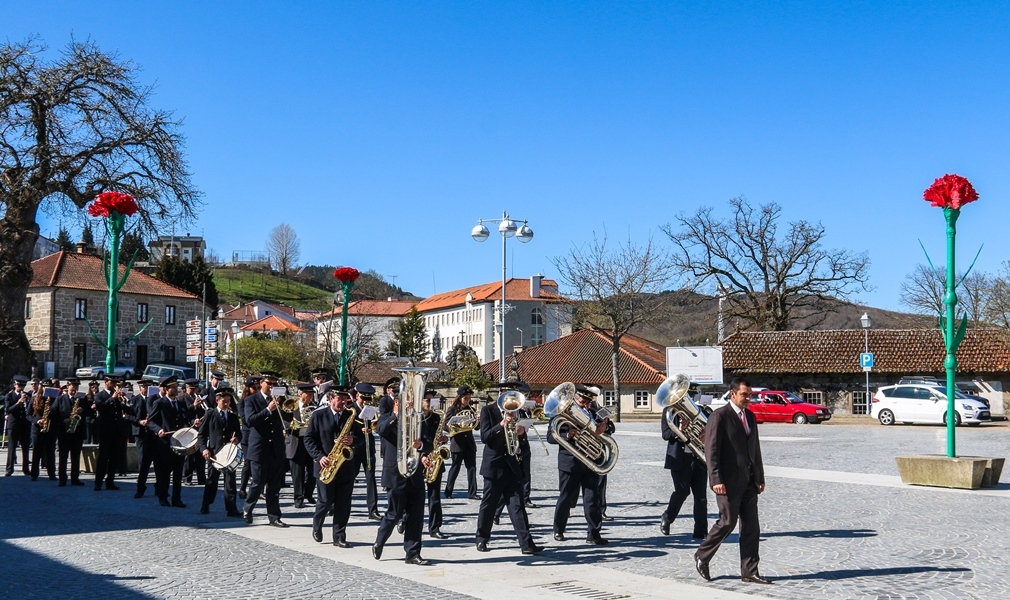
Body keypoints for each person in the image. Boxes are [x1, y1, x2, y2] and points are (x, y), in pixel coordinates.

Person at [694, 378, 770, 585]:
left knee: (751, 528)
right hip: (726, 482)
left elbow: (755, 448)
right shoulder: (719, 417)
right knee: (727, 522)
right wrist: (716, 479)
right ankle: (702, 555)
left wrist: (760, 477)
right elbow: (712, 451)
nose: (748, 398)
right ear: (733, 394)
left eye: (750, 395)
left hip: (749, 481)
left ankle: (750, 571)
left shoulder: (751, 417)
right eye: (745, 394)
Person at [475, 387, 543, 555]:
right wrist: (501, 424)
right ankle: (482, 539)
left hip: (512, 466)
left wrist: (521, 434)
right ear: (500, 396)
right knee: (488, 506)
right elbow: (485, 437)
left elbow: (523, 444)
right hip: (494, 467)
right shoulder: (488, 411)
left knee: (517, 506)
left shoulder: (518, 412)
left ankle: (526, 544)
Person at [372, 385, 433, 566]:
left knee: (416, 516)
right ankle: (379, 541)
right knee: (394, 513)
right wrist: (397, 415)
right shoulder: (387, 418)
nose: (410, 404)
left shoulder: (419, 420)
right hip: (395, 473)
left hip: (415, 474)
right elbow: (381, 430)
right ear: (397, 402)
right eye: (407, 401)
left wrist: (421, 446)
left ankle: (413, 553)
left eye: (412, 401)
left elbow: (429, 444)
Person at [549, 385, 614, 545]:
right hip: (570, 463)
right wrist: (566, 435)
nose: (585, 404)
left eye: (587, 402)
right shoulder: (561, 413)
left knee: (592, 498)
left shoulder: (593, 412)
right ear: (574, 399)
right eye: (582, 401)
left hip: (590, 462)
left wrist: (604, 426)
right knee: (566, 498)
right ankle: (558, 529)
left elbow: (611, 427)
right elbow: (551, 437)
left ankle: (594, 533)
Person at [304, 387, 358, 547]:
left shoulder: (351, 415)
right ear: (331, 398)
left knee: (344, 503)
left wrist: (353, 440)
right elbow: (308, 439)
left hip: (345, 466)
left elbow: (363, 437)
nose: (342, 402)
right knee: (325, 501)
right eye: (339, 399)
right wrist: (319, 457)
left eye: (344, 399)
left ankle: (339, 536)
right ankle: (317, 524)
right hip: (325, 465)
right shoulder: (318, 415)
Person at [241, 371, 288, 527]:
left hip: (276, 448)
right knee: (257, 483)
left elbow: (288, 418)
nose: (271, 386)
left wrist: (283, 405)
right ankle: (248, 508)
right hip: (259, 448)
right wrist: (268, 409)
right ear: (261, 383)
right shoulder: (251, 400)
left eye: (274, 384)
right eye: (269, 383)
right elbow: (250, 421)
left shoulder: (280, 400)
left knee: (274, 486)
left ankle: (274, 516)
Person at [660, 403, 708, 538]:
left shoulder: (699, 410)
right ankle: (667, 517)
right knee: (682, 492)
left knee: (701, 497)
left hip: (698, 457)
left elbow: (712, 427)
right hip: (680, 460)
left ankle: (701, 531)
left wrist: (706, 432)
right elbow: (665, 434)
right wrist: (679, 430)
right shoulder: (669, 411)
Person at [147, 376, 191, 507]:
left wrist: (192, 422)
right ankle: (163, 496)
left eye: (176, 386)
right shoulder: (160, 403)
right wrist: (159, 430)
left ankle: (176, 498)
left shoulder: (181, 402)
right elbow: (150, 422)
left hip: (179, 442)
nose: (175, 389)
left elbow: (185, 418)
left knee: (178, 472)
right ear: (166, 389)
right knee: (165, 472)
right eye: (173, 387)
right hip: (166, 443)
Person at [198, 388, 243, 516]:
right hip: (214, 454)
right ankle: (206, 504)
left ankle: (231, 508)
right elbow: (201, 435)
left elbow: (239, 434)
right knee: (212, 481)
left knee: (230, 482)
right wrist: (204, 449)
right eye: (224, 401)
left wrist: (236, 439)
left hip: (229, 454)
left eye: (228, 401)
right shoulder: (210, 414)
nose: (227, 404)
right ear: (217, 400)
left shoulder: (233, 417)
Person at [93, 375, 133, 491]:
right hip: (106, 430)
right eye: (112, 382)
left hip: (117, 430)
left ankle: (110, 481)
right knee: (103, 457)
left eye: (116, 382)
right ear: (106, 382)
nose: (115, 385)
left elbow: (127, 409)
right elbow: (101, 408)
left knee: (114, 458)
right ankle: (98, 482)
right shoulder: (99, 395)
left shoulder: (118, 396)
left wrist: (125, 401)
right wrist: (113, 398)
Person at [351, 382, 381, 520]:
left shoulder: (371, 409)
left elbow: (376, 424)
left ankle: (373, 509)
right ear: (357, 396)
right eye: (363, 398)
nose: (365, 402)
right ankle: (339, 505)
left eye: (368, 399)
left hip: (368, 447)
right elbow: (346, 428)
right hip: (355, 448)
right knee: (349, 479)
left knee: (371, 479)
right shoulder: (350, 409)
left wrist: (371, 429)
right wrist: (359, 431)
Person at [52, 377, 89, 486]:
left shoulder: (82, 398)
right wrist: (64, 420)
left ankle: (75, 478)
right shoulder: (60, 399)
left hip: (77, 432)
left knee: (76, 456)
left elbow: (89, 411)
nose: (74, 389)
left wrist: (83, 410)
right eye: (72, 386)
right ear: (67, 386)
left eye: (76, 387)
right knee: (63, 456)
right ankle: (62, 478)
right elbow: (54, 414)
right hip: (64, 432)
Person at [443, 386, 479, 500]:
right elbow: (445, 425)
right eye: (465, 398)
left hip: (469, 443)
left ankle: (472, 492)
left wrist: (478, 419)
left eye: (469, 398)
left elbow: (477, 428)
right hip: (457, 443)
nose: (467, 400)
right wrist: (454, 429)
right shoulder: (452, 409)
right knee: (455, 467)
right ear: (459, 398)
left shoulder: (471, 409)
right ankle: (448, 491)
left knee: (472, 468)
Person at [286, 383, 317, 509]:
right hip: (295, 441)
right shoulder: (291, 406)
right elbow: (284, 420)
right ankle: (298, 498)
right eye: (308, 394)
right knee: (297, 473)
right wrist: (290, 425)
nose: (310, 397)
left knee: (312, 471)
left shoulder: (314, 407)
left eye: (311, 394)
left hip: (309, 443)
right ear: (300, 394)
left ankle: (308, 494)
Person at [132, 379, 159, 498]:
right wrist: (138, 421)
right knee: (143, 462)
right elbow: (127, 415)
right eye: (144, 387)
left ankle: (159, 488)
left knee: (158, 463)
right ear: (140, 388)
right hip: (141, 433)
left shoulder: (154, 399)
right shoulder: (135, 400)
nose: (146, 389)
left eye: (148, 387)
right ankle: (140, 488)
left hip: (153, 434)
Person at [237, 376, 261, 499]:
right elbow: (246, 419)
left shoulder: (259, 400)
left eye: (258, 388)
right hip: (247, 435)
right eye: (253, 388)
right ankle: (242, 488)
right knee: (248, 462)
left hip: (258, 435)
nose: (256, 390)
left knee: (258, 463)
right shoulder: (243, 402)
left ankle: (258, 488)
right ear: (248, 388)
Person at [180, 378, 207, 485]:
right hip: (188, 428)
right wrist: (194, 406)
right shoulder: (182, 398)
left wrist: (203, 406)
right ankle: (187, 478)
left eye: (195, 388)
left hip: (199, 429)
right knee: (189, 456)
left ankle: (202, 478)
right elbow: (183, 413)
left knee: (200, 455)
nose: (194, 391)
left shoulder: (198, 397)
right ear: (186, 388)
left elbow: (203, 412)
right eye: (191, 389)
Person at [29, 380, 58, 481]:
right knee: (36, 451)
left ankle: (52, 473)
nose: (46, 389)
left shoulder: (55, 399)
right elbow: (28, 415)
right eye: (45, 387)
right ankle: (34, 474)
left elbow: (59, 413)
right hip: (37, 428)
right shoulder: (34, 398)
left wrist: (52, 410)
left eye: (49, 387)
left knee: (50, 452)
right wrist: (37, 421)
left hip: (50, 428)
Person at [3, 375, 32, 476]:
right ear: (15, 385)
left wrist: (28, 401)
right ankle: (9, 469)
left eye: (22, 386)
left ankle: (26, 469)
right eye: (19, 386)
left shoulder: (28, 395)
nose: (21, 388)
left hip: (24, 424)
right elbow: (8, 409)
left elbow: (31, 410)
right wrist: (18, 403)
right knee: (12, 447)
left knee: (25, 447)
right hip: (13, 424)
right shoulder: (9, 396)